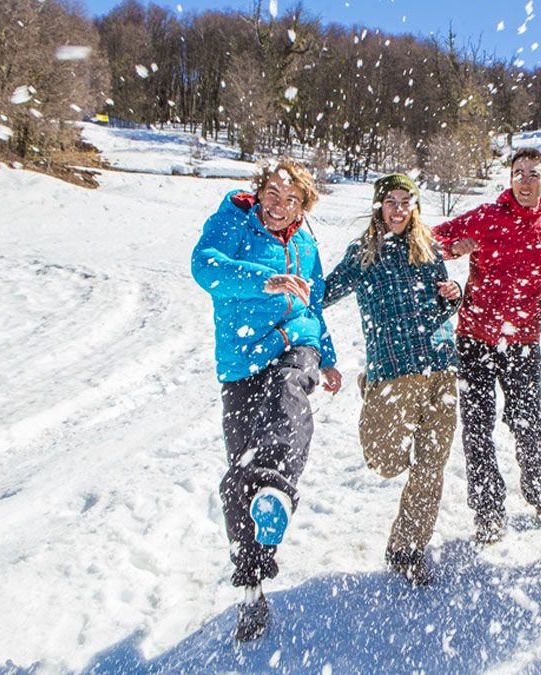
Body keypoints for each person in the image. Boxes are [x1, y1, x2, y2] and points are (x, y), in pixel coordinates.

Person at [191, 159, 342, 642]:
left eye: (291, 199)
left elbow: (313, 303)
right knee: (239, 475)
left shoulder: (305, 242)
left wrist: (329, 355)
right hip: (240, 358)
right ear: (259, 193)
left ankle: (276, 485)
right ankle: (252, 584)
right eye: (272, 195)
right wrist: (263, 279)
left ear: (304, 205)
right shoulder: (234, 219)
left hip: (293, 343)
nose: (279, 206)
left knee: (289, 396)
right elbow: (204, 266)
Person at [431, 147, 541, 544]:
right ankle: (488, 510)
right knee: (477, 427)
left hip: (522, 341)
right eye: (519, 173)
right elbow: (433, 240)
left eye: (534, 174)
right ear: (510, 179)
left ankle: (539, 493)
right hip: (475, 338)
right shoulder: (487, 217)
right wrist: (456, 248)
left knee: (527, 423)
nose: (526, 180)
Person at [324, 174, 462, 586]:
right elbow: (324, 294)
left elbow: (442, 303)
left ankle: (408, 548)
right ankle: (373, 400)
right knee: (384, 461)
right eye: (391, 201)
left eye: (406, 201)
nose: (399, 209)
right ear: (378, 207)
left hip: (441, 367)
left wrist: (454, 293)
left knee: (430, 467)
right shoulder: (363, 254)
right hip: (392, 371)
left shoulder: (428, 248)